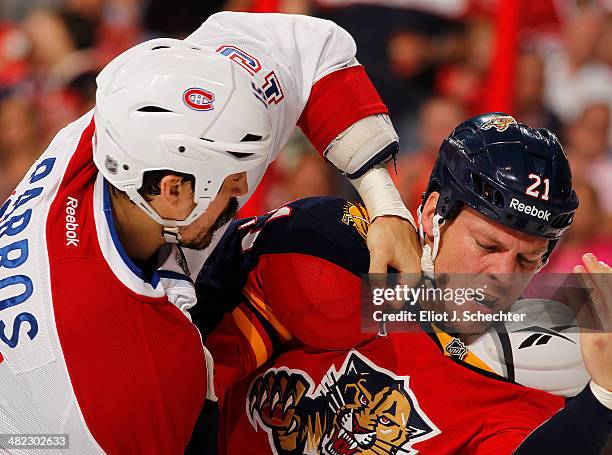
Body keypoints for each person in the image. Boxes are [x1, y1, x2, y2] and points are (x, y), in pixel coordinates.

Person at [0, 12, 421, 454]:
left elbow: (310, 51)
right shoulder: (130, 383)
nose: (245, 186)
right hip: (61, 427)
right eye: (232, 178)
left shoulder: (120, 132)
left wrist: (387, 205)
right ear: (173, 191)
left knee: (331, 242)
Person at [191, 113, 612, 454]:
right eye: (487, 245)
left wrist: (605, 397)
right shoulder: (336, 255)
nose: (504, 274)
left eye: (527, 259)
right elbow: (189, 349)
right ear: (433, 214)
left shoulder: (521, 374)